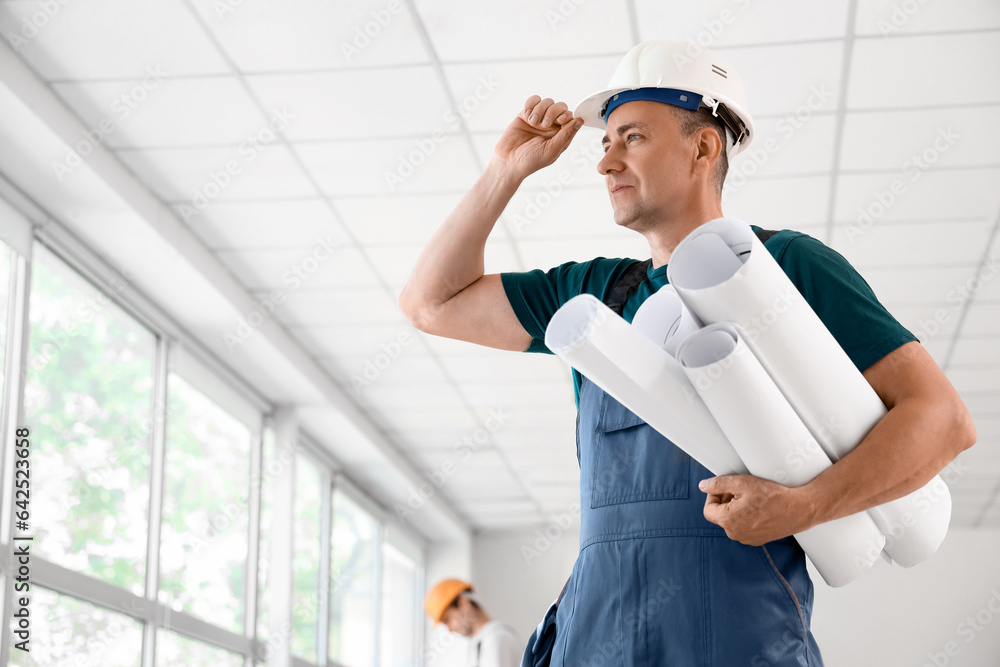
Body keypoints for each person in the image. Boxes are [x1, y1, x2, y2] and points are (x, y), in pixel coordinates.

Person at [400, 41, 976, 665]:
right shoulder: (593, 296)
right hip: (598, 636)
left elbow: (942, 421)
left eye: (633, 138)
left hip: (735, 638)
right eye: (605, 142)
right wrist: (504, 171)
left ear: (703, 147)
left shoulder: (781, 268)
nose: (605, 163)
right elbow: (431, 303)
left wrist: (804, 506)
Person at [424, 578, 521, 667]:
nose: (449, 629)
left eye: (447, 620)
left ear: (463, 603)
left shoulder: (497, 639)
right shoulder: (479, 643)